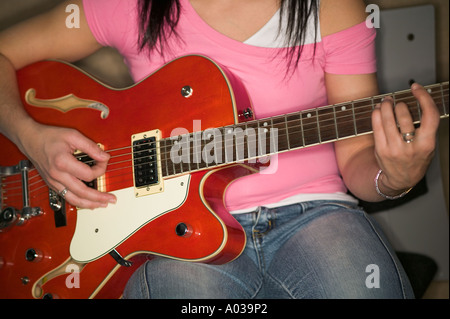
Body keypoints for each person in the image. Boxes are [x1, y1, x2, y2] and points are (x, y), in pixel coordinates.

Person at [0, 0, 441, 299]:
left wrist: (395, 177)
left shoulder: (334, 7)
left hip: (314, 213)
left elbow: (358, 163)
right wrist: (31, 137)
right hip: (169, 229)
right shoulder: (133, 7)